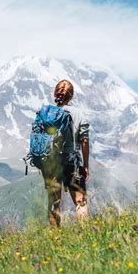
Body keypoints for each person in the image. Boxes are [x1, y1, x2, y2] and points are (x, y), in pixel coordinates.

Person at [40, 79, 90, 226]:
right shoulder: (79, 114)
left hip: (52, 163)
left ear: (55, 93)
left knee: (54, 204)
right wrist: (85, 165)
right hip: (73, 162)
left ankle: (56, 241)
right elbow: (84, 141)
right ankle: (86, 235)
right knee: (80, 201)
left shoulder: (46, 113)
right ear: (71, 96)